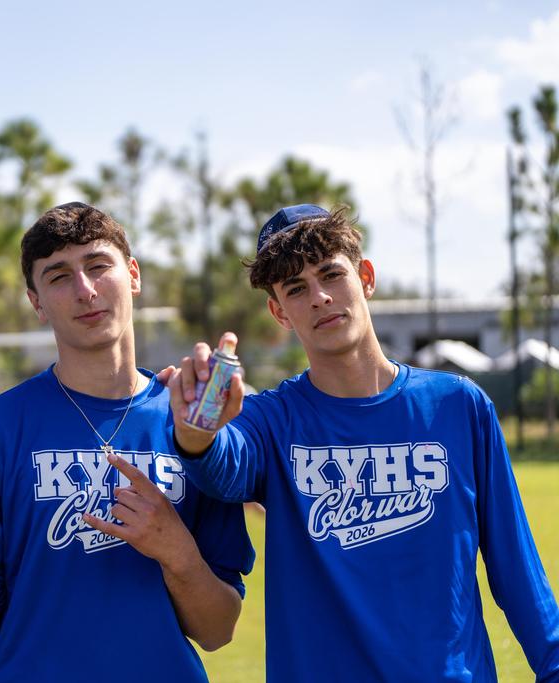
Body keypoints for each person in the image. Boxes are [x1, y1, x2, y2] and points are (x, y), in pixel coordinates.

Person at [169, 204, 559, 682]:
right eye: (296, 288)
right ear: (279, 312)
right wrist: (197, 433)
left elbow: (517, 570)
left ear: (366, 277)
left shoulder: (458, 406)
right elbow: (223, 467)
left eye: (331, 275)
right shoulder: (270, 421)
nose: (319, 297)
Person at [0, 202, 255, 682]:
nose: (85, 290)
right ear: (36, 302)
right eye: (59, 276)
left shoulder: (191, 430)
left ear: (133, 275)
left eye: (98, 266)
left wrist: (176, 551)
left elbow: (217, 630)